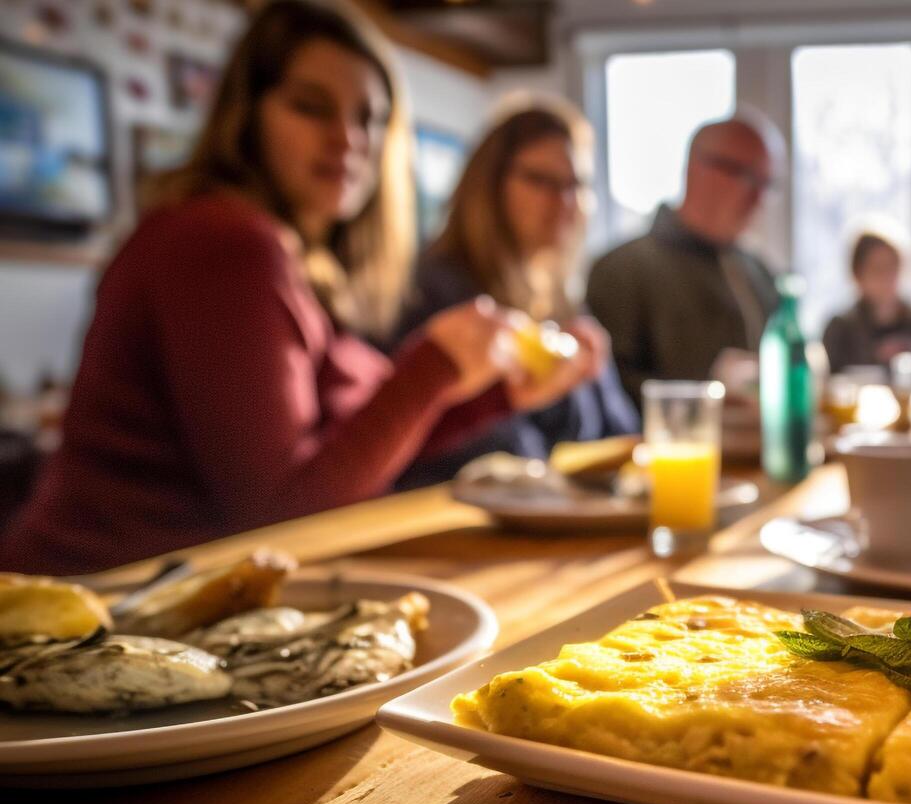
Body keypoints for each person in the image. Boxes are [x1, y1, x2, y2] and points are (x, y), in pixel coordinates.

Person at [0, 0, 582, 575]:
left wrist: (496, 395)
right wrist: (435, 365)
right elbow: (278, 513)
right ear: (247, 115)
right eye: (311, 107)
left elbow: (358, 457)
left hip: (163, 600)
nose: (348, 139)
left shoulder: (292, 254)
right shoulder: (223, 241)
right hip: (94, 611)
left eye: (369, 120)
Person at [389, 99, 635, 488]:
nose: (564, 201)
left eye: (578, 185)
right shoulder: (440, 291)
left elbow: (623, 437)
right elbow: (476, 453)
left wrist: (595, 373)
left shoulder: (563, 300)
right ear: (490, 184)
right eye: (542, 182)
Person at [586, 112, 783, 406]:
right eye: (746, 176)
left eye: (768, 184)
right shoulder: (623, 270)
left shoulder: (758, 272)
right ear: (697, 168)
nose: (758, 198)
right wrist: (707, 398)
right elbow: (608, 396)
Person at [820, 231, 911, 374]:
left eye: (892, 267)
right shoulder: (840, 328)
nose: (887, 277)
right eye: (878, 269)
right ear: (858, 274)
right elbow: (830, 378)